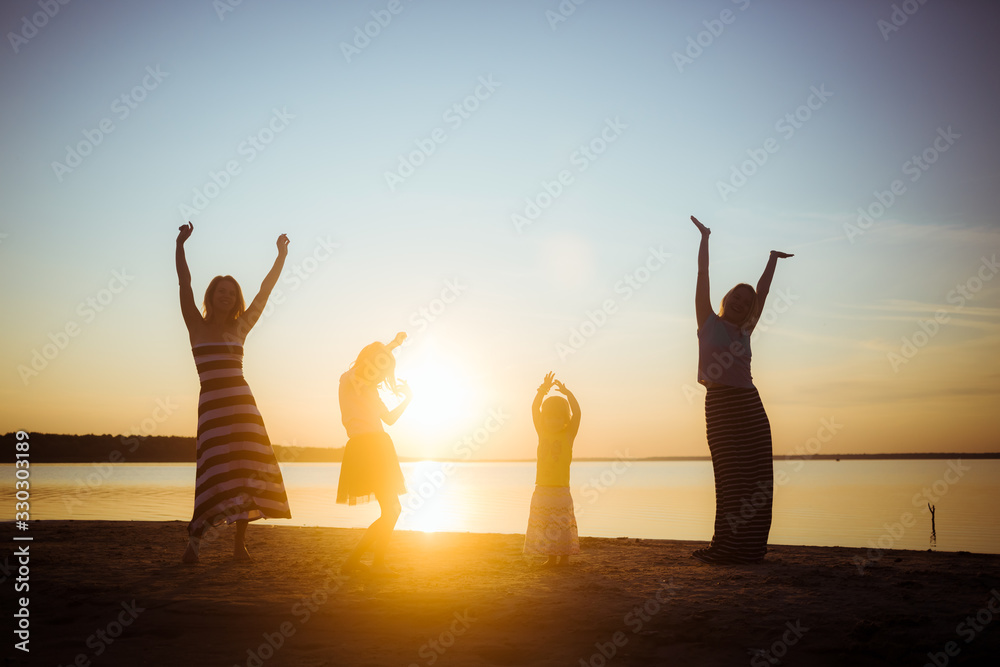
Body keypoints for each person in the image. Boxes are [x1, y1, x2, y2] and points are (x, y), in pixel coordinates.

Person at [176, 222, 292, 563]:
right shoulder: (195, 324)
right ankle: (194, 540)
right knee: (212, 470)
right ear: (211, 296)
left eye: (230, 292)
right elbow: (184, 282)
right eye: (219, 291)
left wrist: (281, 255)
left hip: (243, 408)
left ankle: (240, 544)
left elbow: (265, 291)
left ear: (235, 298)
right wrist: (180, 244)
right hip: (212, 408)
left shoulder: (241, 326)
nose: (225, 295)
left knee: (246, 470)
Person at [690, 215, 793, 565]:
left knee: (757, 478)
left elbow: (763, 293)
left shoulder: (746, 329)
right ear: (727, 298)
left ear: (749, 310)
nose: (741, 302)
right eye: (737, 296)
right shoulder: (708, 321)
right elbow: (703, 276)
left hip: (749, 406)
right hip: (719, 405)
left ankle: (750, 549)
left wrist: (772, 261)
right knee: (730, 477)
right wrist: (705, 239)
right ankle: (726, 547)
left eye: (746, 301)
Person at [337, 332, 411, 576]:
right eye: (380, 365)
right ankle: (369, 563)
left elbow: (389, 419)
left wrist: (408, 399)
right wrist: (393, 344)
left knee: (392, 510)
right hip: (366, 448)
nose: (381, 372)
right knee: (392, 510)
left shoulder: (370, 390)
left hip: (379, 445)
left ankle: (369, 562)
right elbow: (369, 365)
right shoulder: (350, 379)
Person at [523, 372, 581, 566]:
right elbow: (534, 408)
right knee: (546, 523)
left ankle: (563, 557)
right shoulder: (542, 432)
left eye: (558, 418)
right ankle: (551, 557)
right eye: (549, 418)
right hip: (542, 487)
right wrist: (543, 390)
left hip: (561, 488)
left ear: (564, 419)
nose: (553, 422)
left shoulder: (568, 434)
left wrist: (567, 394)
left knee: (562, 524)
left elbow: (578, 414)